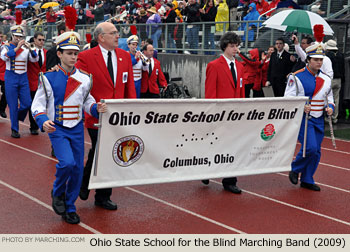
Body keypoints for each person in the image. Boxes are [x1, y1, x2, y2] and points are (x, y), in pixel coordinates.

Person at [31, 31, 107, 224]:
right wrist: (42, 120)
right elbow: (37, 105)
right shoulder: (47, 77)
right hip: (57, 129)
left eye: (76, 53)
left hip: (77, 129)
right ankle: (57, 192)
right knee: (67, 164)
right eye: (69, 53)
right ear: (59, 54)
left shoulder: (85, 78)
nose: (73, 57)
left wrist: (95, 108)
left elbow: (86, 100)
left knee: (78, 171)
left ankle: (70, 207)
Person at [76, 22, 136, 210]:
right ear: (101, 37)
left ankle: (102, 196)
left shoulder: (125, 56)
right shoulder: (85, 57)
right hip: (96, 115)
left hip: (118, 117)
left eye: (118, 33)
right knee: (99, 149)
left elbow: (129, 87)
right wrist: (92, 107)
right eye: (113, 33)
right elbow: (82, 86)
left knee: (111, 154)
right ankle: (85, 182)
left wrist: (132, 109)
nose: (118, 36)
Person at [285, 43, 334, 191]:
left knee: (317, 151)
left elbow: (329, 97)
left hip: (319, 119)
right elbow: (288, 98)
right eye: (315, 59)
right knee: (310, 148)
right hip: (303, 119)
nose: (319, 62)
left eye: (321, 59)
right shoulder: (296, 76)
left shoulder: (326, 79)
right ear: (308, 59)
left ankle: (307, 178)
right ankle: (295, 168)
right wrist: (301, 105)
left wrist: (330, 107)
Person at [203, 32, 245, 194]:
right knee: (214, 146)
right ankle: (205, 170)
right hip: (219, 115)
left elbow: (241, 91)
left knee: (233, 147)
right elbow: (210, 93)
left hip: (235, 116)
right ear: (224, 47)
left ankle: (230, 180)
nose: (235, 49)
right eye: (232, 46)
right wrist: (212, 114)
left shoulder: (240, 66)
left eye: (236, 46)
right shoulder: (214, 65)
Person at [0, 24, 38, 138]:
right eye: (16, 36)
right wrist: (17, 48)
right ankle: (14, 129)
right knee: (12, 105)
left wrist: (30, 49)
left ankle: (17, 117)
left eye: (20, 36)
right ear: (12, 36)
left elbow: (35, 59)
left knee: (27, 103)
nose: (18, 38)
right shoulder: (6, 47)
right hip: (11, 77)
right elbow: (4, 57)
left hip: (23, 78)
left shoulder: (26, 48)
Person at [27, 32, 46, 135]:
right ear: (34, 40)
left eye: (43, 40)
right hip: (31, 82)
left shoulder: (47, 52)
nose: (41, 42)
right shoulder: (29, 51)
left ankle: (39, 123)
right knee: (31, 105)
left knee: (42, 105)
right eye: (39, 39)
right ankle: (33, 126)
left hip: (42, 83)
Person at [325, 39, 345, 124]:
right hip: (339, 80)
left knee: (327, 99)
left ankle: (327, 116)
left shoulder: (327, 56)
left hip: (330, 79)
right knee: (336, 99)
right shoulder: (341, 55)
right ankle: (334, 117)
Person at [0, 31, 7, 118]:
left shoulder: (5, 46)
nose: (0, 38)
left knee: (6, 91)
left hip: (3, 72)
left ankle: (2, 109)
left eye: (1, 36)